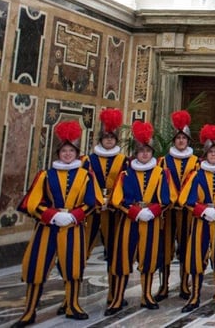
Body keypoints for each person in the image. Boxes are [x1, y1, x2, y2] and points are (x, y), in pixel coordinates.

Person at [13, 121, 99, 327]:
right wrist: (52, 215)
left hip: (73, 227)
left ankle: (72, 305)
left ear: (77, 153)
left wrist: (75, 215)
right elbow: (32, 203)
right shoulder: (45, 175)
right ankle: (29, 310)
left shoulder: (85, 175)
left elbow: (92, 201)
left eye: (71, 150)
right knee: (37, 267)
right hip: (47, 228)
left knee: (73, 267)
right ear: (58, 153)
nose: (67, 154)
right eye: (64, 151)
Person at [106, 121, 171, 315]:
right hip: (129, 221)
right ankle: (117, 298)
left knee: (149, 260)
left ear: (152, 153)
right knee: (122, 259)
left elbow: (166, 199)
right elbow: (117, 199)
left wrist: (152, 211)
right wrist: (134, 211)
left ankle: (146, 295)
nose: (144, 154)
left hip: (151, 221)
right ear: (136, 152)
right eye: (141, 150)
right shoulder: (126, 173)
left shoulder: (160, 173)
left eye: (148, 150)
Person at [179, 125, 215, 312]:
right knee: (197, 258)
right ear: (205, 154)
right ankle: (194, 295)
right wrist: (203, 210)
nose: (213, 155)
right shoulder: (196, 174)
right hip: (200, 222)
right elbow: (186, 199)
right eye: (210, 152)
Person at [84, 108, 127, 310]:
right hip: (91, 213)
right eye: (106, 137)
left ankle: (114, 295)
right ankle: (70, 298)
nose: (109, 140)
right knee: (79, 253)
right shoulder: (88, 161)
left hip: (115, 213)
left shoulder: (124, 160)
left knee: (116, 253)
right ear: (101, 139)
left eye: (112, 137)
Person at [158, 110, 199, 301]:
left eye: (184, 138)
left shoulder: (196, 162)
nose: (181, 141)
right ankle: (163, 285)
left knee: (186, 247)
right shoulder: (162, 161)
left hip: (188, 213)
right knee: (165, 248)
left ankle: (184, 284)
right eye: (178, 138)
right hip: (168, 212)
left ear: (188, 141)